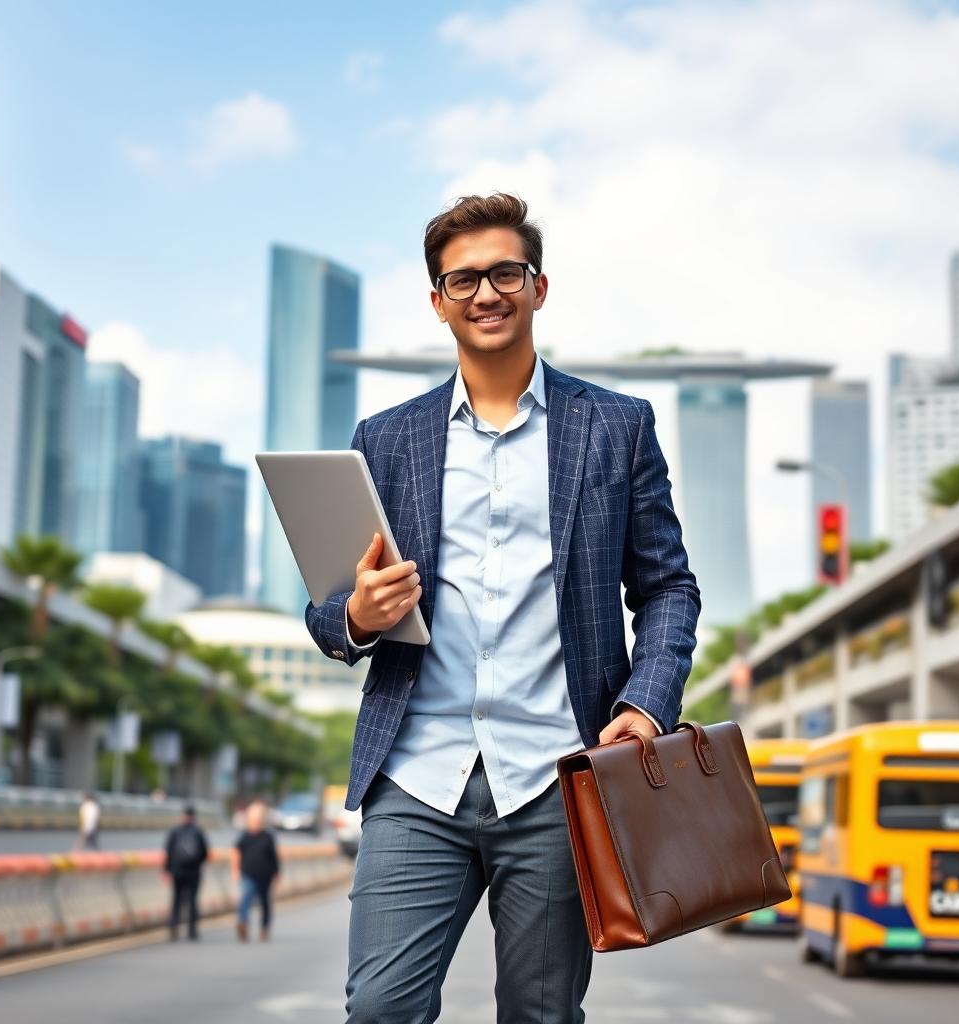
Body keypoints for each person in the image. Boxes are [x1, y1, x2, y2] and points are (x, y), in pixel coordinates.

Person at [305, 193, 700, 1023]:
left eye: (504, 273)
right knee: (379, 1009)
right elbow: (326, 608)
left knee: (542, 1016)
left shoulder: (617, 427)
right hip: (416, 775)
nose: (486, 293)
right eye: (464, 279)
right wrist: (358, 617)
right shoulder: (385, 437)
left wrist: (644, 705)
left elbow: (668, 587)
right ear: (437, 300)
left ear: (538, 286)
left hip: (557, 781)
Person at [231, 800, 279, 941]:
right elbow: (236, 852)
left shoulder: (268, 837)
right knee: (246, 898)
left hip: (265, 875)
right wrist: (235, 870)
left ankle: (264, 928)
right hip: (248, 874)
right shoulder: (244, 836)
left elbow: (274, 857)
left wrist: (276, 873)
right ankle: (243, 922)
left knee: (264, 902)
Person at [163, 805, 209, 941]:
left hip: (177, 871)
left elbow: (169, 852)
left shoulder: (175, 831)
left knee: (176, 900)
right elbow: (205, 853)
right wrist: (197, 865)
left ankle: (173, 927)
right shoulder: (198, 831)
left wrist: (166, 869)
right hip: (193, 872)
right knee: (192, 900)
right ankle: (192, 930)